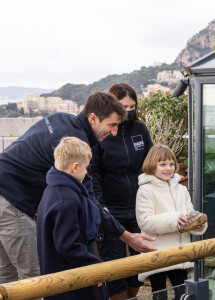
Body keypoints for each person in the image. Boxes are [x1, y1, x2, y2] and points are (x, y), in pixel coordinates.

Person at [0, 91, 156, 284]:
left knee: (6, 276)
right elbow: (89, 198)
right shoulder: (76, 144)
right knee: (34, 279)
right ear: (93, 118)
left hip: (5, 189)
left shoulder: (60, 119)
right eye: (112, 125)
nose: (114, 132)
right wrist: (126, 236)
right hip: (10, 202)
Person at [91, 83, 153, 300]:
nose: (129, 111)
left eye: (133, 106)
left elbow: (151, 164)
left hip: (139, 206)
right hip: (111, 209)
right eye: (124, 107)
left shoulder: (140, 129)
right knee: (115, 268)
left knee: (139, 267)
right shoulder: (103, 133)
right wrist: (101, 205)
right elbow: (93, 173)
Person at [37, 137, 109, 300]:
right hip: (71, 284)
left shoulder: (52, 189)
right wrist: (94, 267)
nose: (86, 173)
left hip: (61, 279)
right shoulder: (66, 201)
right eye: (86, 169)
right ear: (75, 167)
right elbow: (68, 245)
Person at [136, 144, 208, 300]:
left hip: (179, 253)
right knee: (159, 295)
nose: (168, 168)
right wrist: (174, 219)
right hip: (156, 253)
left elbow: (189, 214)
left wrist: (197, 224)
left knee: (182, 294)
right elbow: (145, 221)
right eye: (162, 164)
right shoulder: (145, 190)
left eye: (171, 164)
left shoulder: (181, 189)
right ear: (151, 165)